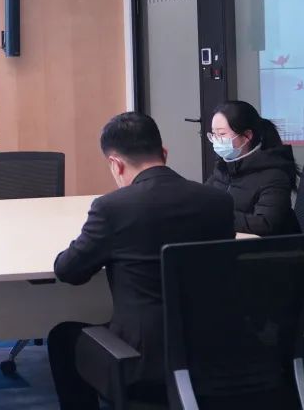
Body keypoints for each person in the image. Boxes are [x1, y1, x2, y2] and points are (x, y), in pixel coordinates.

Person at [48, 112, 234, 410]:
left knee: (62, 338)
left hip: (141, 361)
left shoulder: (112, 208)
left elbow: (69, 271)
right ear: (164, 153)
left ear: (115, 164)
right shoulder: (218, 202)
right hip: (215, 350)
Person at [205, 100, 300, 236]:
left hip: (271, 246)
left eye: (222, 134)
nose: (216, 140)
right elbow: (204, 198)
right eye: (213, 134)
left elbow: (265, 224)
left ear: (247, 136)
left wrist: (219, 216)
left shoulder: (274, 174)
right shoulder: (224, 166)